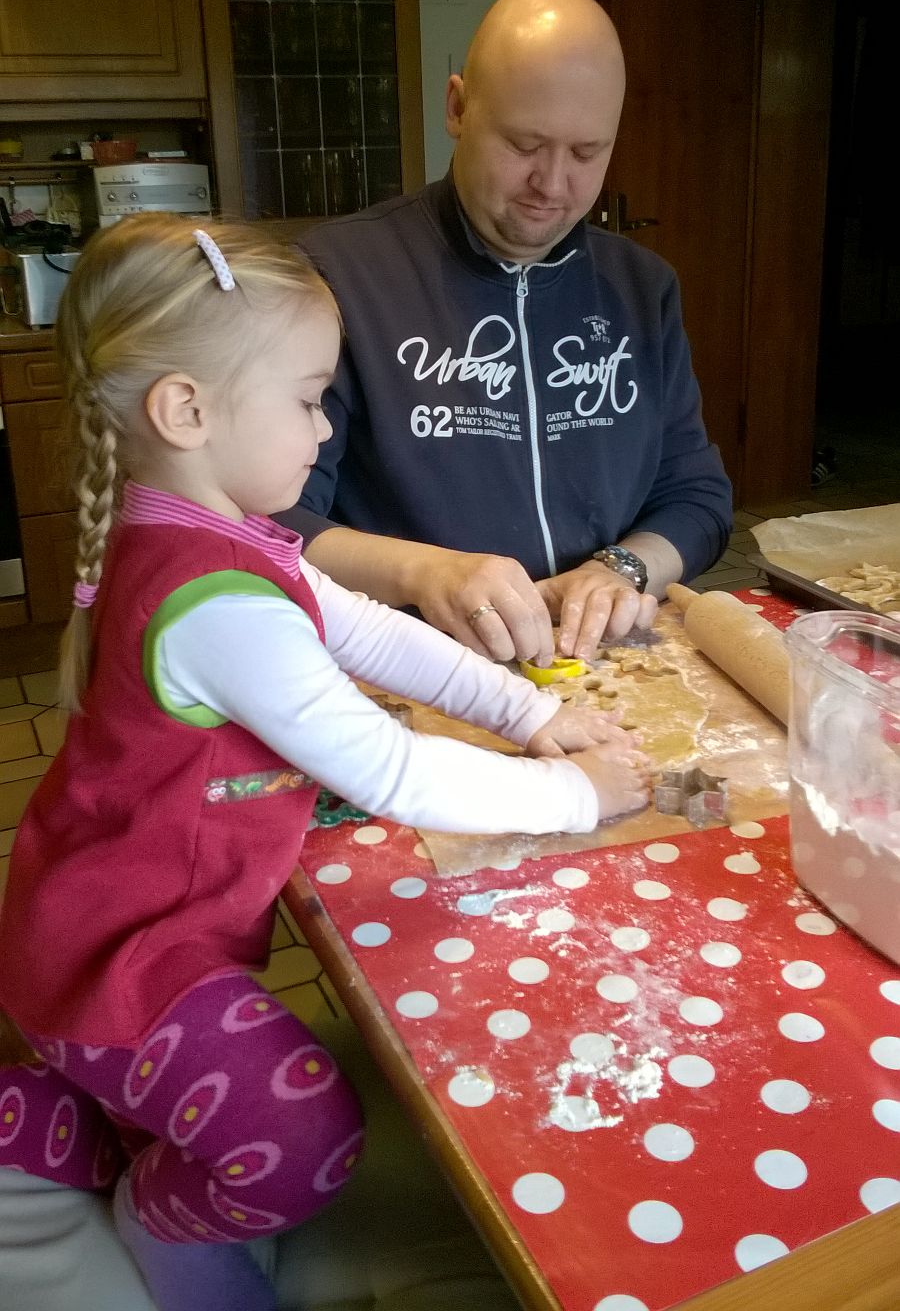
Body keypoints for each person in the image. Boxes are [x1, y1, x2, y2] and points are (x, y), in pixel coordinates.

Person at [0, 215, 649, 1311]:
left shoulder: (216, 531)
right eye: (307, 398)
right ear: (187, 411)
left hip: (95, 920)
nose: (324, 426)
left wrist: (529, 713)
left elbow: (372, 632)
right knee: (307, 1139)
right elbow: (390, 771)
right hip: (118, 965)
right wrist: (573, 795)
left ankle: (67, 1117)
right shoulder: (215, 607)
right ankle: (160, 1218)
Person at [283, 0, 732, 666]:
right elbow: (269, 522)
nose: (552, 184)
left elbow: (697, 497)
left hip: (600, 669)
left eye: (586, 153)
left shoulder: (643, 289)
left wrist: (621, 569)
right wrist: (427, 573)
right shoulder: (336, 278)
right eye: (524, 144)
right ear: (458, 108)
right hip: (406, 668)